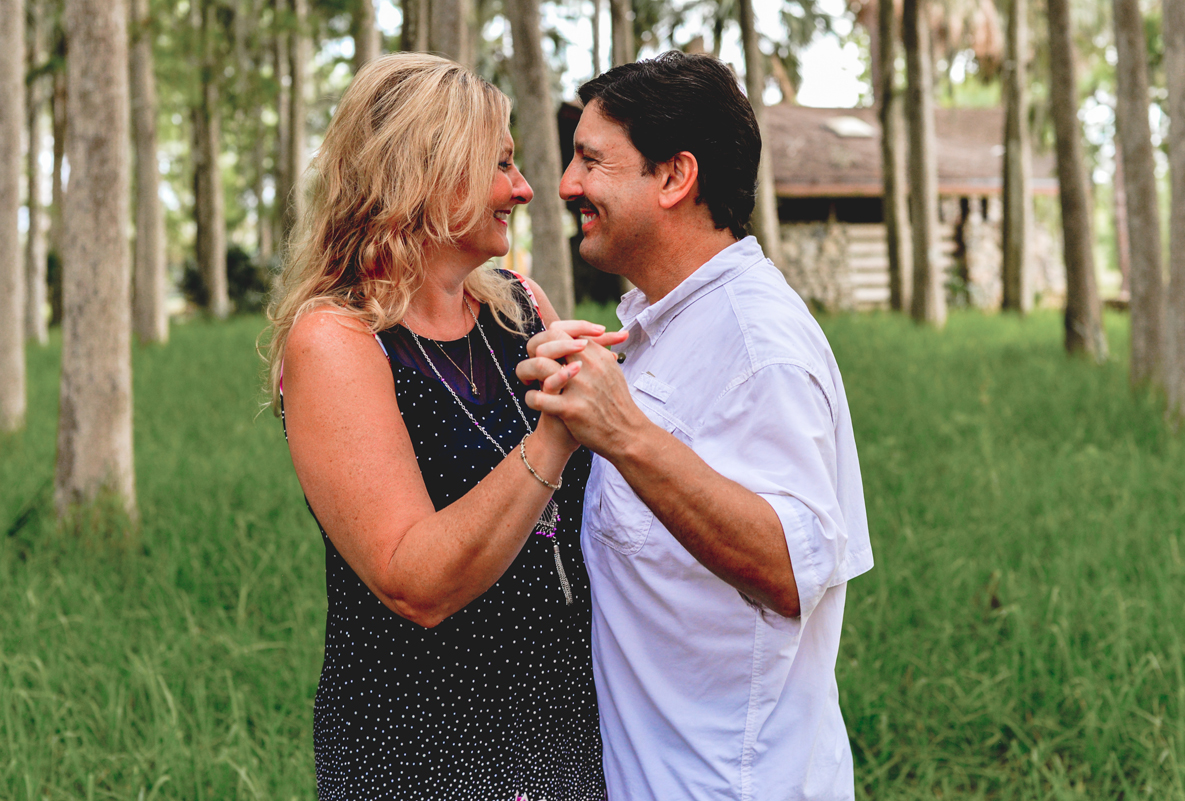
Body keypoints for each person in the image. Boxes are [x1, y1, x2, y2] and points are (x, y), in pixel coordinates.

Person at [517, 52, 875, 800]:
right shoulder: (659, 323)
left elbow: (789, 567)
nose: (565, 184)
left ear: (676, 178)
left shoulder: (756, 343)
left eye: (591, 160)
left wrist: (627, 434)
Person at [265, 53, 612, 801]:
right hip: (423, 746)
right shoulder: (337, 338)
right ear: (426, 171)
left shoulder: (521, 305)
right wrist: (555, 434)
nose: (523, 189)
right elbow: (411, 579)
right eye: (501, 164)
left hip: (564, 728)